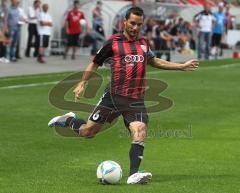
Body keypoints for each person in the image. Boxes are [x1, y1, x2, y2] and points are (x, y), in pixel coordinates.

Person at [48, 7, 199, 184]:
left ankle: (133, 174)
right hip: (113, 97)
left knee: (140, 131)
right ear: (125, 22)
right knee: (87, 132)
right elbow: (94, 63)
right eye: (133, 23)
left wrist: (180, 66)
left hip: (135, 100)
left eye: (139, 24)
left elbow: (154, 61)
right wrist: (82, 83)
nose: (135, 28)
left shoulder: (143, 43)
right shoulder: (113, 43)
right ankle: (68, 120)